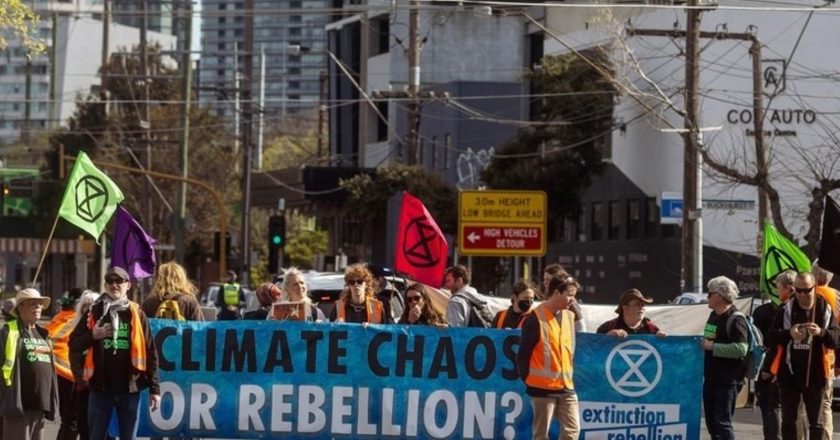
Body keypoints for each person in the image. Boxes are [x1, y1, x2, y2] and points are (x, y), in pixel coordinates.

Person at [68, 266, 161, 440]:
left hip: (130, 389)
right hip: (100, 390)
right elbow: (73, 344)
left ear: (128, 285)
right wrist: (93, 335)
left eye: (119, 281)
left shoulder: (137, 313)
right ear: (105, 285)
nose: (114, 285)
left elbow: (151, 352)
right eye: (110, 281)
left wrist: (155, 389)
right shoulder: (94, 311)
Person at [767, 272, 840, 440]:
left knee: (816, 422)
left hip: (816, 374)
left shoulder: (823, 308)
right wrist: (789, 334)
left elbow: (836, 339)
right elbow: (771, 336)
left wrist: (821, 332)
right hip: (790, 373)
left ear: (814, 288)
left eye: (806, 291)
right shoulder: (786, 308)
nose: (801, 295)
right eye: (797, 290)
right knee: (789, 420)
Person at [517, 275, 581, 440]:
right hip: (542, 388)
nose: (572, 300)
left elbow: (569, 348)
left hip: (566, 386)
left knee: (572, 431)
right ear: (556, 292)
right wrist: (530, 380)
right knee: (541, 435)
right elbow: (523, 355)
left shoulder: (569, 316)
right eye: (569, 294)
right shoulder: (535, 318)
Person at [0, 288, 59, 440]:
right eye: (33, 304)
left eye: (40, 304)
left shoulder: (44, 334)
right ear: (20, 307)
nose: (38, 307)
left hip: (40, 405)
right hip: (18, 406)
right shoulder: (8, 332)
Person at [700, 275, 748, 440]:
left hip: (727, 380)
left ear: (720, 296)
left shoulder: (736, 319)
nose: (707, 297)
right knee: (712, 424)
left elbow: (741, 348)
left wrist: (712, 347)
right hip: (711, 377)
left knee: (723, 423)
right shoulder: (713, 315)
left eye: (710, 293)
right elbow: (710, 337)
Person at [753, 270, 795, 440]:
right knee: (794, 411)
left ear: (788, 288)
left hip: (779, 366)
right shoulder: (804, 308)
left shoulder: (784, 310)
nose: (778, 292)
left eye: (779, 288)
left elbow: (774, 341)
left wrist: (768, 368)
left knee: (772, 407)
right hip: (792, 367)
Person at [44, 287, 83, 440]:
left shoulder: (59, 317)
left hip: (55, 372)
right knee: (72, 421)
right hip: (69, 374)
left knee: (68, 420)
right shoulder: (78, 319)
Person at [68, 290, 102, 440]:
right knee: (82, 427)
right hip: (82, 388)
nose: (87, 308)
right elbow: (74, 357)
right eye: (84, 305)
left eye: (91, 305)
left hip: (101, 389)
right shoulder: (77, 331)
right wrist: (84, 381)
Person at [812, 264, 839, 440]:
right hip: (831, 358)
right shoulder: (837, 295)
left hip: (815, 357)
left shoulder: (815, 296)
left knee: (811, 406)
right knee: (826, 405)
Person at [597, 288, 667, 337]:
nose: (641, 308)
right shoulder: (607, 327)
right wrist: (607, 337)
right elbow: (593, 350)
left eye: (643, 305)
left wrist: (662, 340)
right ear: (625, 308)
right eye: (637, 304)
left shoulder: (652, 329)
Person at [543, 263, 585, 331]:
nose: (545, 282)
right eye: (544, 279)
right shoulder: (547, 304)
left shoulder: (570, 305)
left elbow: (581, 330)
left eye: (548, 279)